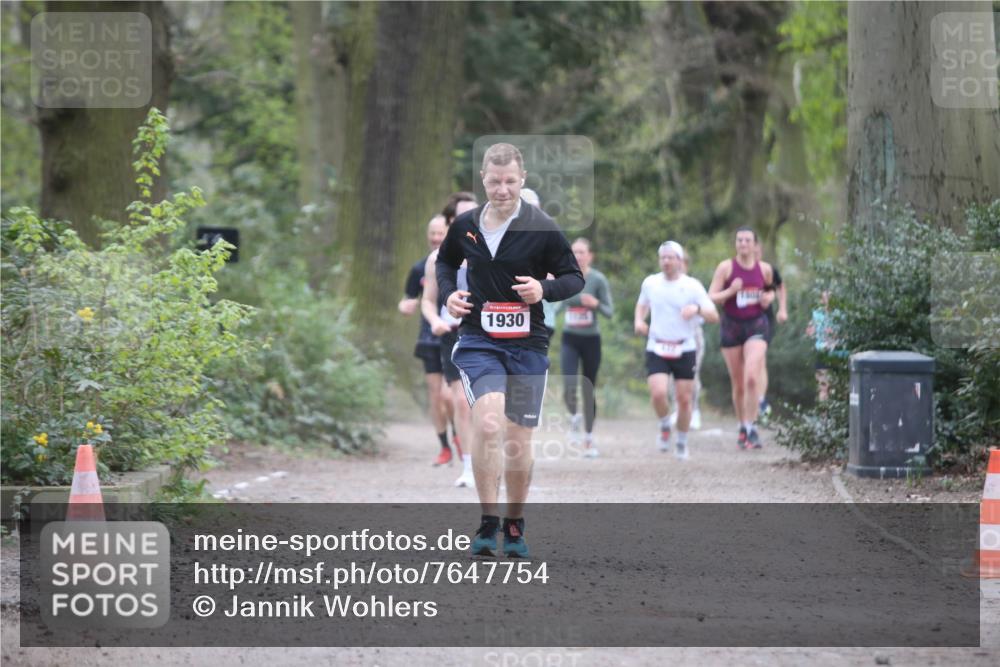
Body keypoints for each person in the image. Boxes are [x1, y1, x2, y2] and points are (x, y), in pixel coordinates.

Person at [437, 143, 583, 558]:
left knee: (518, 438)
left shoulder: (541, 226)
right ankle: (487, 521)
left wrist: (544, 289)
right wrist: (449, 295)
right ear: (483, 179)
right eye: (495, 181)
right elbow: (444, 263)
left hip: (528, 345)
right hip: (480, 340)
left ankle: (515, 524)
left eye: (511, 182)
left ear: (522, 181)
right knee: (487, 423)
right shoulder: (465, 224)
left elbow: (574, 277)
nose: (502, 190)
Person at [634, 241, 718, 459]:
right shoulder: (651, 283)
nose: (667, 261)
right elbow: (642, 304)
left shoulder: (692, 286)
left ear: (680, 261)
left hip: (684, 348)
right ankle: (664, 424)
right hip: (657, 346)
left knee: (683, 399)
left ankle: (681, 440)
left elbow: (714, 315)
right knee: (658, 393)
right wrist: (639, 320)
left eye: (671, 257)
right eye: (663, 257)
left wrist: (697, 309)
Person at [422, 192, 479, 487]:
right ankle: (469, 468)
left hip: (489, 333)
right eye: (462, 215)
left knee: (493, 405)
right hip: (454, 333)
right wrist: (435, 322)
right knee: (460, 401)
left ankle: (497, 459)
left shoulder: (496, 251)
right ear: (451, 221)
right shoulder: (437, 259)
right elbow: (428, 302)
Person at [708, 227, 777, 450]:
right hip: (731, 326)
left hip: (756, 325)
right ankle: (741, 426)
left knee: (751, 378)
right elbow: (710, 297)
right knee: (738, 384)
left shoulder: (764, 269)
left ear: (755, 245)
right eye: (739, 240)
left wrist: (768, 298)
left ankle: (752, 427)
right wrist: (730, 292)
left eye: (747, 240)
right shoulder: (726, 268)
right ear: (736, 244)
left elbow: (770, 290)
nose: (743, 244)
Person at [399, 214, 454, 466]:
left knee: (449, 395)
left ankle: (461, 436)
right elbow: (409, 296)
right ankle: (444, 447)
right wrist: (406, 305)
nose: (435, 238)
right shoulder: (420, 267)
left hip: (456, 333)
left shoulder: (461, 263)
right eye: (431, 233)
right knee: (435, 394)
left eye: (440, 233)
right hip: (429, 336)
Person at [554, 238, 613, 457]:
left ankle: (589, 438)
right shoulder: (565, 277)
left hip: (591, 340)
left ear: (590, 255)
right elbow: (557, 306)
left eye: (582, 252)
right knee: (569, 384)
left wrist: (595, 304)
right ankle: (574, 418)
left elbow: (609, 312)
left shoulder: (598, 279)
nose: (578, 256)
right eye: (574, 252)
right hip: (570, 338)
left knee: (588, 388)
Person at [669, 251, 705, 431]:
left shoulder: (693, 286)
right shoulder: (662, 285)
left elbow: (708, 312)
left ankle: (695, 411)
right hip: (669, 338)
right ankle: (677, 410)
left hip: (692, 336)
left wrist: (696, 309)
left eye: (680, 261)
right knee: (671, 377)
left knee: (692, 376)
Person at [754, 240, 788, 423]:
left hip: (762, 320)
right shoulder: (735, 270)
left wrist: (781, 308)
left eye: (758, 250)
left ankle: (761, 402)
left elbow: (779, 287)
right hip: (739, 321)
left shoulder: (767, 270)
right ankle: (749, 402)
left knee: (759, 359)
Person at [806, 290, 846, 401]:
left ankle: (839, 414)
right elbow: (809, 331)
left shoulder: (841, 315)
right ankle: (824, 416)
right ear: (822, 300)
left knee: (840, 387)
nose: (828, 300)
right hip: (823, 353)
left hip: (839, 353)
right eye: (826, 298)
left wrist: (836, 334)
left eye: (830, 298)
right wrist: (811, 330)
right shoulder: (817, 314)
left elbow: (847, 334)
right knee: (823, 386)